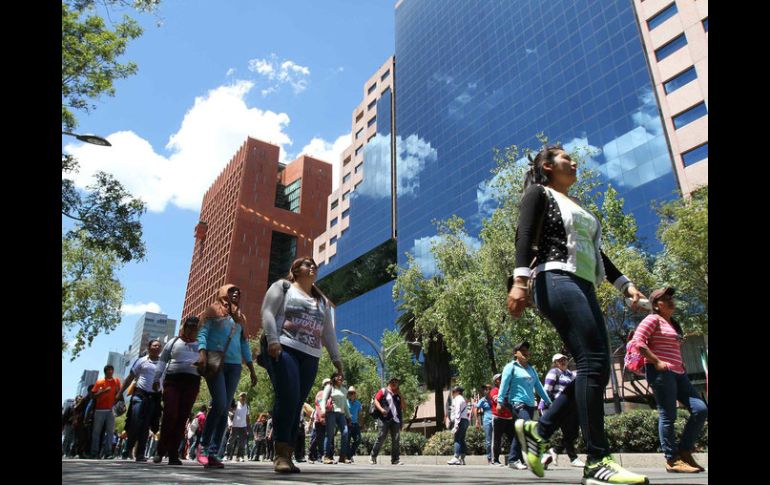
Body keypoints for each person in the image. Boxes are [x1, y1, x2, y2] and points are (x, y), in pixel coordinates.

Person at [507, 145, 649, 484]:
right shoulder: (539, 194)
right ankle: (597, 460)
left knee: (596, 368)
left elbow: (596, 253)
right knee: (592, 363)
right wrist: (519, 282)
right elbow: (524, 236)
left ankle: (539, 431)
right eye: (565, 158)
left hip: (583, 284)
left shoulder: (576, 205)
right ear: (547, 166)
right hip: (555, 279)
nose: (574, 162)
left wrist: (626, 285)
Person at [260, 257, 343, 473]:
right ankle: (280, 453)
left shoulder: (321, 300)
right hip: (285, 347)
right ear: (295, 270)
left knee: (297, 403)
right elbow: (267, 311)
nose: (312, 266)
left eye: (314, 264)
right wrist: (273, 340)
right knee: (287, 397)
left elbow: (328, 332)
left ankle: (288, 454)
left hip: (311, 355)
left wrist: (337, 359)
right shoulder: (283, 287)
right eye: (307, 264)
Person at [632, 287, 707, 473]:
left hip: (679, 372)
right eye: (665, 299)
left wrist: (680, 365)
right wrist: (657, 361)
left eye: (671, 298)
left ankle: (685, 451)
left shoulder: (672, 323)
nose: (670, 301)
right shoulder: (652, 319)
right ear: (656, 305)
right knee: (668, 415)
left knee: (700, 409)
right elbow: (638, 341)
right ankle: (672, 459)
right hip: (661, 372)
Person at [195, 284, 258, 469]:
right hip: (215, 362)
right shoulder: (213, 311)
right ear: (223, 293)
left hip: (235, 366)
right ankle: (203, 446)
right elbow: (203, 333)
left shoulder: (240, 317)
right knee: (220, 403)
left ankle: (214, 453)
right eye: (231, 291)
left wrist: (251, 368)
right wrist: (202, 352)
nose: (236, 293)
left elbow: (244, 343)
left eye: (238, 291)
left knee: (224, 409)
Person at [152, 316, 202, 465]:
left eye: (195, 329)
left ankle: (173, 453)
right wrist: (156, 379)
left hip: (192, 382)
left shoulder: (201, 345)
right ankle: (160, 451)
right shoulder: (173, 342)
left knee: (182, 417)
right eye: (189, 328)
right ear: (184, 328)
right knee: (170, 414)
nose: (192, 331)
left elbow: (207, 362)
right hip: (172, 381)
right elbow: (162, 361)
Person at [498, 341, 552, 470]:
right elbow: (503, 384)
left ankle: (513, 459)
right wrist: (500, 402)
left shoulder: (531, 369)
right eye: (522, 351)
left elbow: (539, 387)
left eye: (527, 351)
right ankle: (539, 456)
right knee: (528, 426)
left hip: (530, 405)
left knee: (520, 431)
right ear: (515, 353)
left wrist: (549, 402)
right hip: (517, 403)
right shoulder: (511, 367)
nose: (525, 353)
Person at [117, 339, 163, 462]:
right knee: (135, 422)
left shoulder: (163, 364)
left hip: (154, 398)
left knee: (145, 425)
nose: (157, 347)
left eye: (159, 346)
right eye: (155, 345)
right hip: (139, 396)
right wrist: (120, 393)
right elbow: (130, 377)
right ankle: (128, 448)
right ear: (149, 347)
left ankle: (140, 454)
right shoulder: (141, 361)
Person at [540, 353, 584, 469]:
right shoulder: (554, 372)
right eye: (559, 360)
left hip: (571, 407)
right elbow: (546, 389)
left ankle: (554, 450)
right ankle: (572, 458)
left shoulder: (570, 374)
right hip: (558, 406)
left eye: (564, 360)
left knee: (573, 433)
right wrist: (543, 405)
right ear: (555, 363)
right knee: (553, 432)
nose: (563, 362)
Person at [369, 377, 406, 465]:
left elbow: (403, 407)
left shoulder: (398, 395)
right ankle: (373, 457)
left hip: (395, 420)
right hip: (383, 419)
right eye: (392, 381)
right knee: (381, 437)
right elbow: (376, 400)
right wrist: (381, 410)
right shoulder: (383, 391)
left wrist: (401, 395)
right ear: (389, 383)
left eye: (396, 382)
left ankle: (395, 459)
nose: (394, 383)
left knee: (396, 440)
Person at [89, 365, 122, 459]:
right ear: (105, 372)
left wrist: (118, 393)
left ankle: (108, 453)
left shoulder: (117, 381)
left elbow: (119, 393)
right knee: (96, 432)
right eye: (108, 370)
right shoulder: (99, 382)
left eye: (111, 370)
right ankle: (94, 452)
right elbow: (92, 396)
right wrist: (103, 391)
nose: (110, 372)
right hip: (99, 410)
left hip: (111, 410)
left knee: (110, 432)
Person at [320, 372, 351, 464]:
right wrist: (323, 410)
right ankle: (326, 456)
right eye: (338, 376)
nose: (340, 378)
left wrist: (348, 416)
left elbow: (345, 404)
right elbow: (323, 399)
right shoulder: (329, 387)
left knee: (345, 432)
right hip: (331, 413)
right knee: (330, 434)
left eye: (341, 376)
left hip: (341, 414)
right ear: (333, 378)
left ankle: (342, 457)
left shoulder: (344, 390)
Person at [489, 373, 515, 466]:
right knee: (497, 439)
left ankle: (515, 459)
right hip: (498, 418)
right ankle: (495, 460)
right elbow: (499, 401)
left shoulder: (507, 390)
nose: (502, 380)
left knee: (513, 439)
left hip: (509, 418)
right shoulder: (494, 391)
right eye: (500, 379)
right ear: (496, 381)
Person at [308, 379, 330, 463]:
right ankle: (310, 455)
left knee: (322, 438)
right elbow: (319, 406)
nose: (329, 385)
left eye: (330, 383)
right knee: (317, 438)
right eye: (327, 384)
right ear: (324, 385)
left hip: (327, 420)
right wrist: (322, 418)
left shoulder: (330, 395)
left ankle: (320, 456)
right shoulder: (321, 394)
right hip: (319, 419)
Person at [447, 386, 469, 465]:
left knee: (457, 439)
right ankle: (462, 459)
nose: (452, 393)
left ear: (458, 392)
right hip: (464, 420)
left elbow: (457, 412)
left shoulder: (457, 399)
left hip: (460, 421)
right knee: (462, 439)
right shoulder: (462, 399)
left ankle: (456, 457)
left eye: (453, 391)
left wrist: (456, 425)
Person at [225, 392, 250, 462]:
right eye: (242, 396)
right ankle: (226, 455)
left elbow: (247, 417)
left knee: (242, 442)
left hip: (243, 426)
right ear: (239, 397)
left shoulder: (247, 406)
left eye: (244, 396)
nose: (243, 397)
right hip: (235, 426)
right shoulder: (236, 405)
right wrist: (230, 423)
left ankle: (240, 456)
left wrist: (248, 427)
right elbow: (229, 413)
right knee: (231, 441)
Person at [474, 384, 494, 464]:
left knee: (496, 440)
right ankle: (489, 458)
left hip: (496, 420)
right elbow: (476, 409)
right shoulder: (482, 400)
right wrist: (477, 421)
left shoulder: (494, 398)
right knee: (488, 441)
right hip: (487, 421)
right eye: (485, 389)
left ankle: (496, 458)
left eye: (488, 389)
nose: (487, 390)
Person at [345, 386, 363, 463]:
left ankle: (350, 455)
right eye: (350, 393)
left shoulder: (358, 403)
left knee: (358, 439)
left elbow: (360, 414)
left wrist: (361, 424)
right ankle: (348, 457)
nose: (351, 394)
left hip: (355, 424)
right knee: (347, 441)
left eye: (353, 393)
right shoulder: (345, 402)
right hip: (347, 424)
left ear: (355, 394)